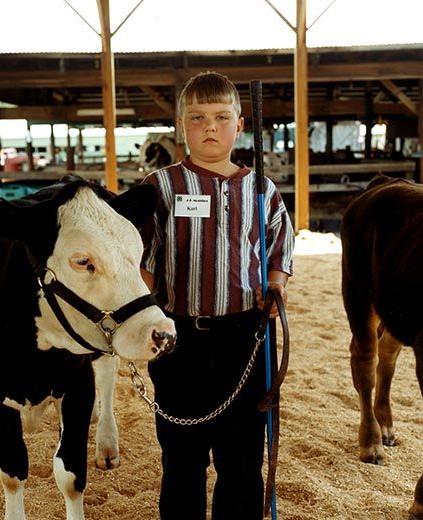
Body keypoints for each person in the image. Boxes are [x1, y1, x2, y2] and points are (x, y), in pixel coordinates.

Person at [139, 71, 295, 520]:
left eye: (222, 117)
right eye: (198, 117)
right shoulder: (161, 186)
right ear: (181, 125)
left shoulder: (261, 189)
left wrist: (276, 286)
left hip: (245, 337)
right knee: (182, 457)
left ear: (240, 125)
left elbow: (279, 248)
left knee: (243, 456)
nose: (210, 127)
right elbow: (144, 262)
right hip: (178, 337)